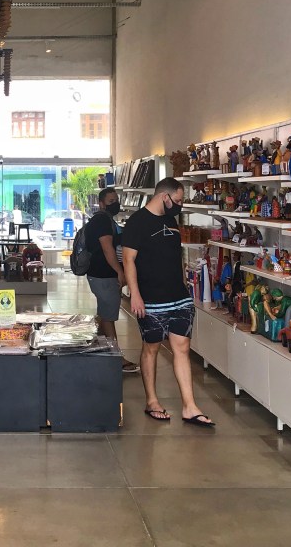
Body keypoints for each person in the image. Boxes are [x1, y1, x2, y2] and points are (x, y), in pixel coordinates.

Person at [123, 177, 214, 427]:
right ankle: (152, 401)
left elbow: (176, 257)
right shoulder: (137, 222)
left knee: (182, 347)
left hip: (179, 297)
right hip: (151, 299)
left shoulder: (171, 221)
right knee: (151, 347)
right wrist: (135, 294)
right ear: (165, 197)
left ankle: (189, 406)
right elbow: (129, 261)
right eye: (179, 200)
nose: (180, 205)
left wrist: (185, 287)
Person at [85, 187, 138, 373]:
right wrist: (120, 271)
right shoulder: (102, 221)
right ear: (101, 204)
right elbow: (107, 248)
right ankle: (117, 358)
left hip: (101, 274)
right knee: (108, 317)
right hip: (104, 274)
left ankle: (99, 350)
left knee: (104, 313)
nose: (115, 204)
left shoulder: (106, 220)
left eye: (116, 200)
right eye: (111, 201)